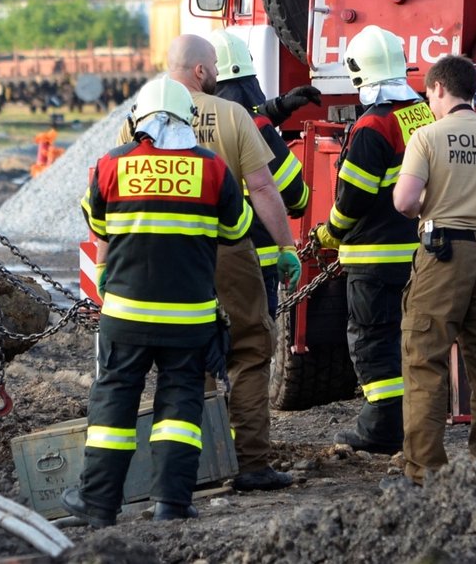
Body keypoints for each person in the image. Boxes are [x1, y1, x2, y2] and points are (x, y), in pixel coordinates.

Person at [63, 77, 253, 526]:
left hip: (125, 315)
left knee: (114, 402)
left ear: (138, 121)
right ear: (188, 122)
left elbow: (97, 222)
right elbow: (237, 228)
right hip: (189, 321)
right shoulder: (213, 169)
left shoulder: (110, 165)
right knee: (180, 406)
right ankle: (171, 502)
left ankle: (99, 504)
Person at [117, 35, 302, 491]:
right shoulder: (233, 115)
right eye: (215, 66)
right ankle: (252, 463)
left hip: (164, 257)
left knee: (184, 356)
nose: (219, 74)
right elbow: (262, 187)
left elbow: (117, 182)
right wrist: (285, 246)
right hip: (228, 250)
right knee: (250, 349)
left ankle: (194, 465)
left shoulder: (138, 117)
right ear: (200, 70)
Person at [393, 55, 476, 484]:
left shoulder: (427, 137)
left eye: (429, 94)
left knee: (425, 358)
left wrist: (434, 200)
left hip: (444, 255)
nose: (429, 102)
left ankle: (425, 469)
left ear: (440, 89)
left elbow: (404, 201)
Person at [311, 25, 434, 455]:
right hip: (419, 253)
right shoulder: (423, 113)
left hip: (374, 257)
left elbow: (353, 197)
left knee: (371, 339)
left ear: (359, 73)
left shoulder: (372, 126)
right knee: (408, 339)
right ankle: (408, 422)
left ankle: (382, 426)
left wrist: (329, 232)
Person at [209, 29, 319, 318]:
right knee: (251, 346)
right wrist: (298, 205)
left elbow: (238, 111)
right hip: (254, 256)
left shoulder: (183, 119)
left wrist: (279, 107)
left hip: (194, 259)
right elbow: (294, 191)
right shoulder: (254, 124)